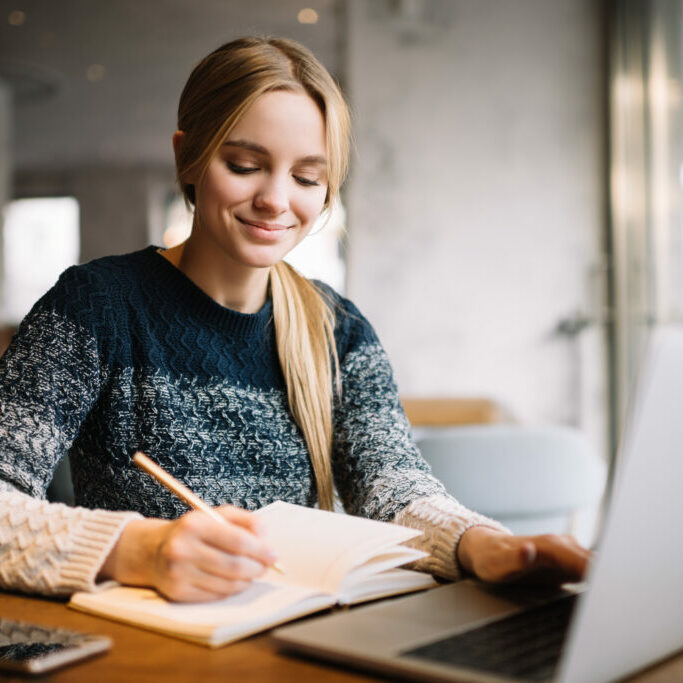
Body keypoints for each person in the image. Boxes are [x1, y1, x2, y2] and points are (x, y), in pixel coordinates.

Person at [0, 37, 589, 602]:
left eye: (307, 177)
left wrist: (480, 545)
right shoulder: (96, 306)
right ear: (188, 156)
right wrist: (140, 550)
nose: (277, 200)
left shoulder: (339, 328)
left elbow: (392, 484)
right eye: (245, 164)